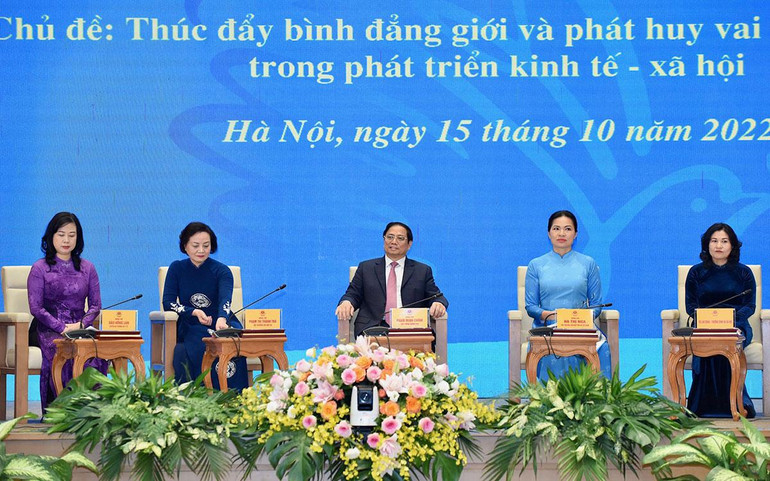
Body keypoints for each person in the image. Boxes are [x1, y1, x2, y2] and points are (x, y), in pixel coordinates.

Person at [27, 212, 108, 412]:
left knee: (96, 354)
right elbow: (36, 308)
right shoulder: (40, 268)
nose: (66, 240)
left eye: (72, 235)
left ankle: (91, 412)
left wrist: (81, 325)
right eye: (61, 234)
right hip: (48, 329)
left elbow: (95, 305)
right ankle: (60, 412)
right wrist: (61, 327)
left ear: (78, 238)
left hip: (80, 328)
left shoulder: (88, 268)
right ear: (51, 236)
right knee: (64, 352)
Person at [525, 210, 611, 381]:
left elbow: (596, 305)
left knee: (601, 347)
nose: (562, 233)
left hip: (580, 326)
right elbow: (531, 306)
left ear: (576, 234)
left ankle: (595, 396)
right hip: (548, 327)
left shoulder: (588, 264)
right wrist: (552, 316)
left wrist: (577, 318)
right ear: (549, 233)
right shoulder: (536, 265)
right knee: (553, 346)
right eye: (556, 228)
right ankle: (552, 397)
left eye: (568, 229)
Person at [163, 222, 248, 390]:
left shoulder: (222, 271)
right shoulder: (177, 269)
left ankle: (232, 394)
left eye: (206, 245)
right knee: (200, 338)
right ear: (185, 246)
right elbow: (168, 302)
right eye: (195, 246)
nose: (201, 250)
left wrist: (222, 318)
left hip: (220, 320)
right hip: (190, 321)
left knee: (232, 339)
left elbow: (225, 299)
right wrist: (193, 312)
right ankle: (205, 393)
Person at [685, 222, 756, 418]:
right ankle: (700, 405)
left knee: (727, 341)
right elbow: (690, 306)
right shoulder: (696, 272)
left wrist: (729, 319)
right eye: (714, 241)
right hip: (704, 325)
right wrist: (707, 319)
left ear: (732, 245)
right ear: (707, 245)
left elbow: (750, 306)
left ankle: (737, 403)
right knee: (707, 342)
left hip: (737, 325)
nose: (718, 246)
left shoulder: (744, 272)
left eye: (724, 241)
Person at [336, 222, 448, 338]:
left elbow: (436, 296)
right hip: (372, 328)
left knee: (416, 343)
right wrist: (346, 302)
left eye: (400, 238)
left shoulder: (422, 271)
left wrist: (438, 303)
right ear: (384, 239)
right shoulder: (366, 268)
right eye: (390, 237)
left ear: (409, 244)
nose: (394, 241)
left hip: (410, 328)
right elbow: (353, 294)